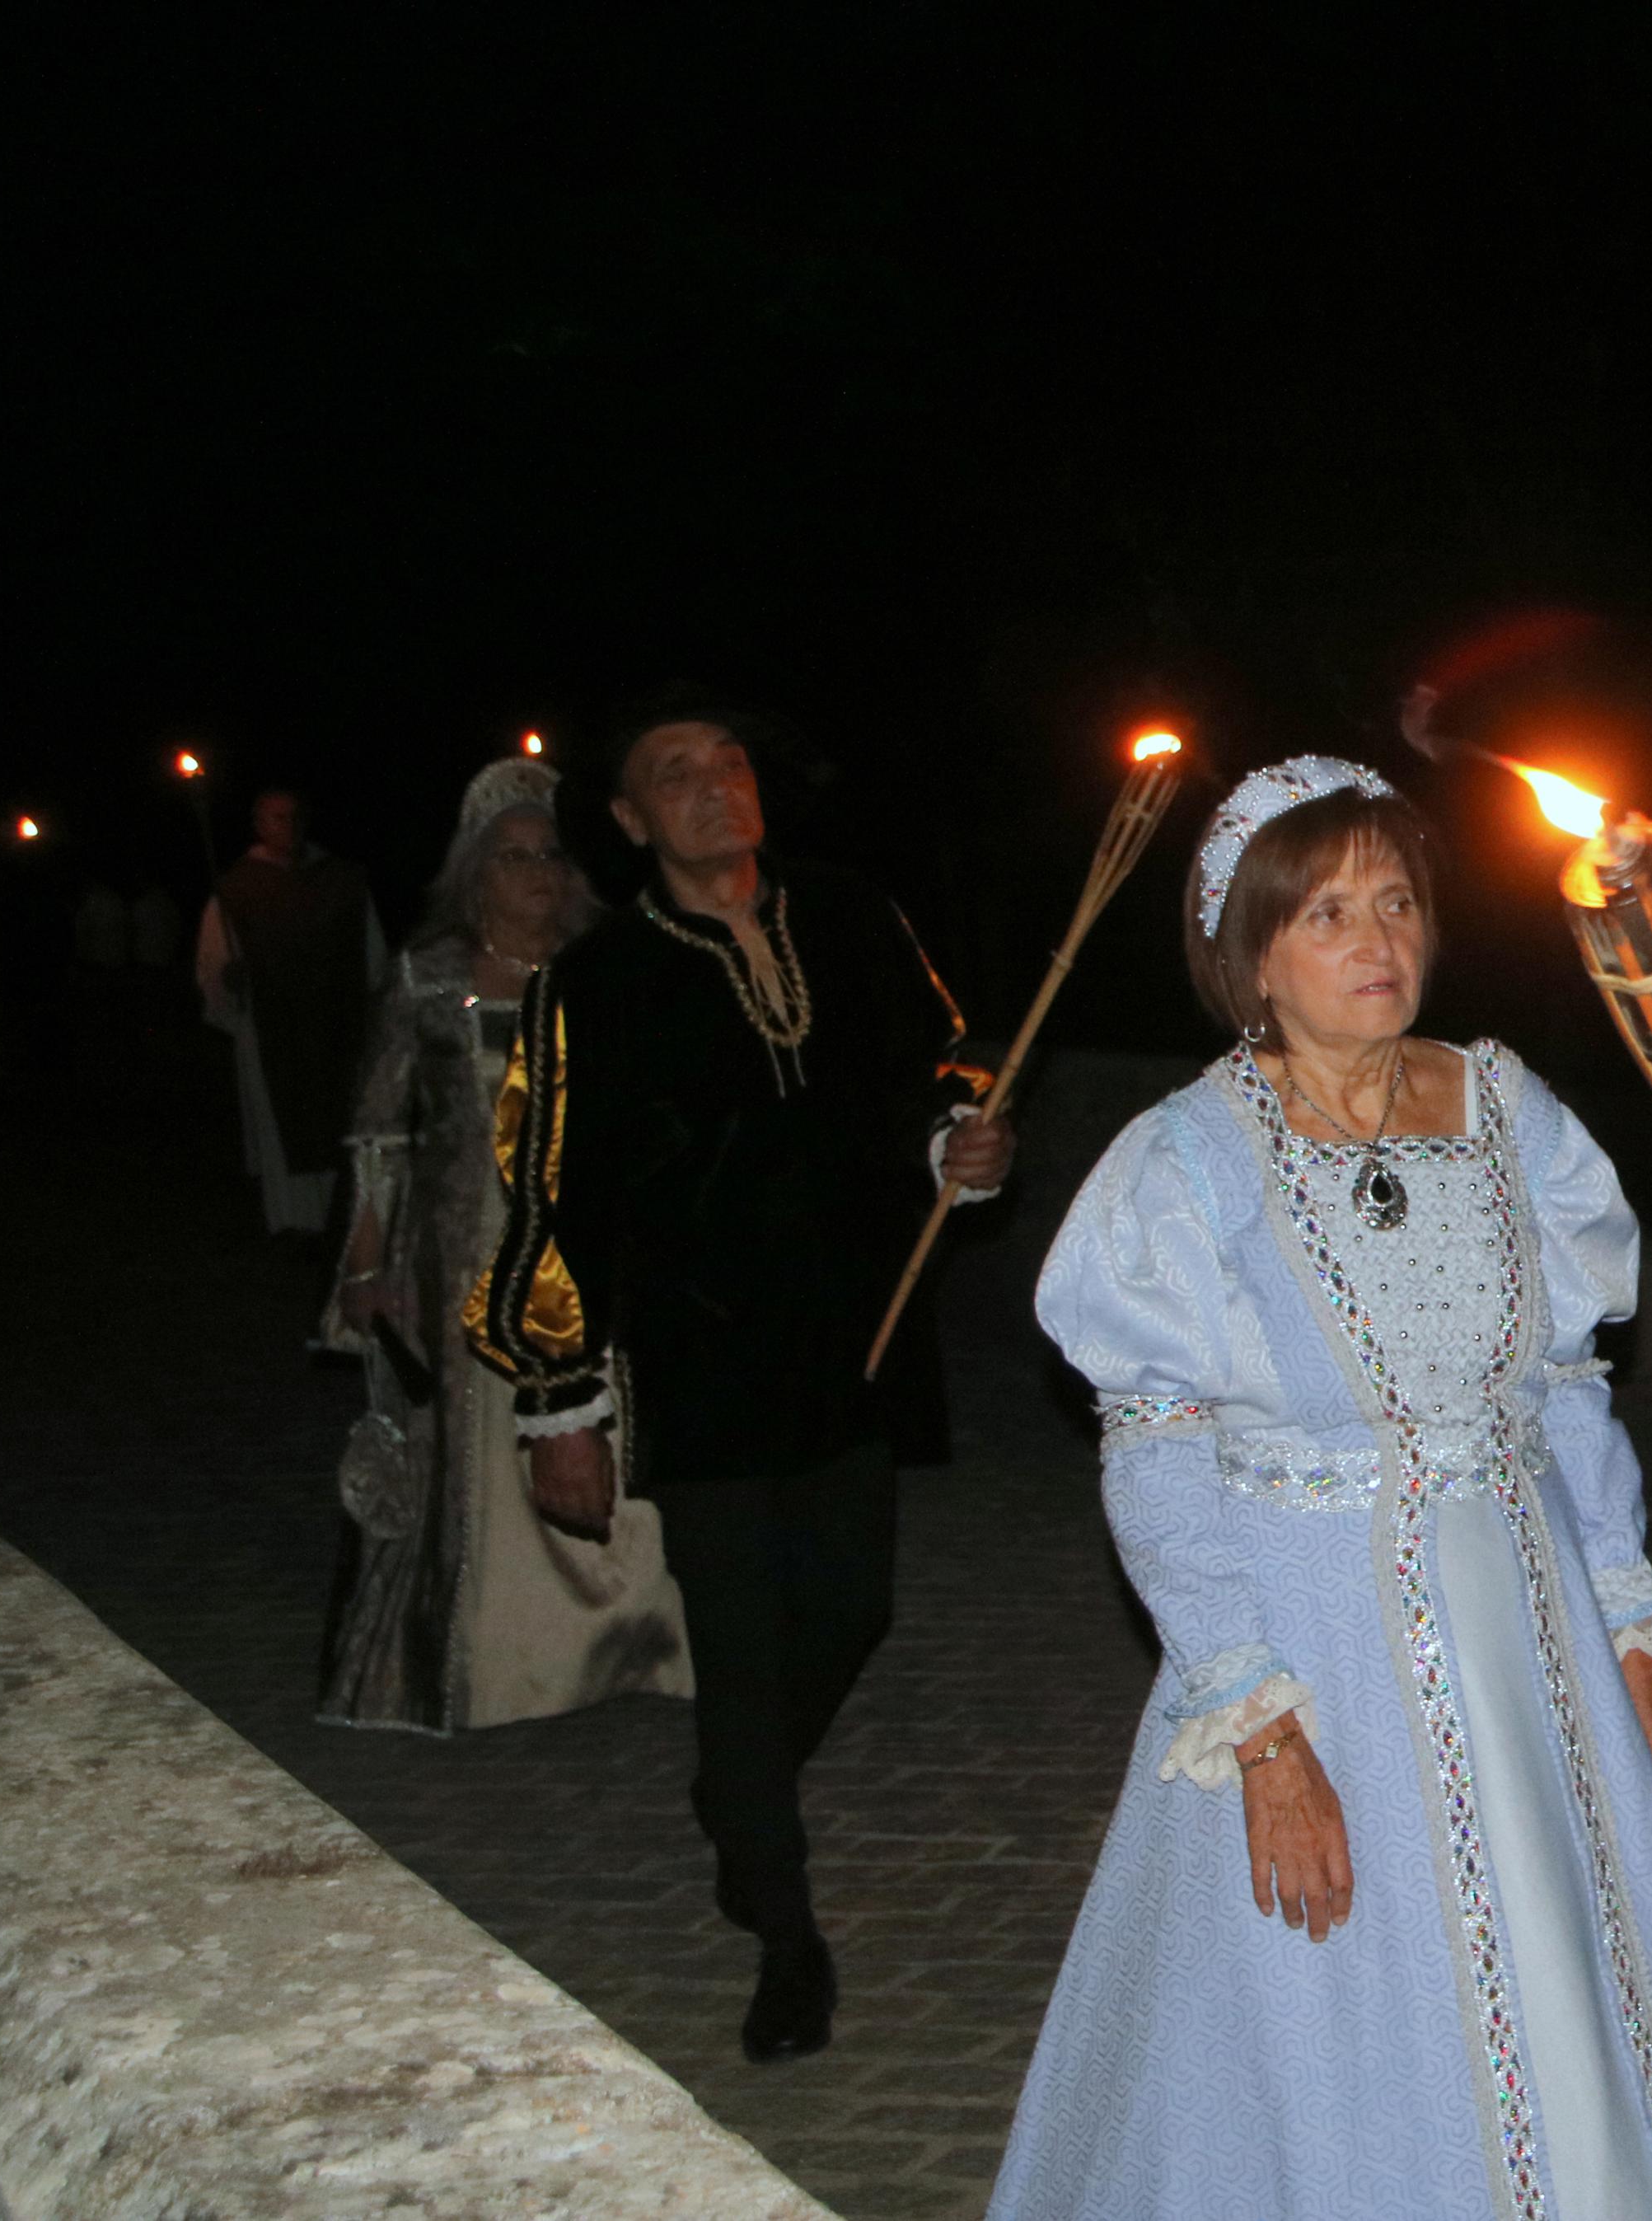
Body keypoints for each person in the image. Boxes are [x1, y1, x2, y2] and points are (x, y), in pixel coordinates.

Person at [992, 757, 1652, 2221]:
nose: (1375, 943)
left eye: (1394, 903)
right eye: (1323, 916)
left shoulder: (1506, 1109)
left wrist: (1628, 1622)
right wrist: (1259, 1733)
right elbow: (1156, 1456)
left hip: (1532, 1633)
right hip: (1314, 1652)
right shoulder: (1184, 1164)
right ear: (1247, 960)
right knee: (1338, 2004)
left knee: (1584, 1973)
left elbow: (1566, 1388)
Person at [466, 697, 1014, 2064]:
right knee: (744, 1645)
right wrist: (558, 1401)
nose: (714, 787)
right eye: (675, 775)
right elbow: (552, 1198)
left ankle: (733, 1788)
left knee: (852, 1609)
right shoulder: (590, 983)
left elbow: (934, 1059)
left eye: (728, 764)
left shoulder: (849, 913)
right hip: (705, 1357)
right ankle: (784, 1931)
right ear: (632, 820)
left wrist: (960, 1132)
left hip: (860, 1333)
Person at [318, 756, 693, 1734]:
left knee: (590, 1430)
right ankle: (485, 1664)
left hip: (573, 1251)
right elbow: (377, 1137)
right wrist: (363, 1267)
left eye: (550, 855)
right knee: (473, 1459)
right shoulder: (425, 981)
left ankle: (616, 1644)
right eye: (512, 856)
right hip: (452, 1256)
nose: (535, 873)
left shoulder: (603, 974)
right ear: (475, 873)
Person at [199, 787, 386, 1234]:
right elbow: (215, 964)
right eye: (276, 818)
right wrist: (229, 982)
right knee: (284, 1123)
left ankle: (346, 1219)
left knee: (342, 1113)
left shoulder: (341, 880)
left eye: (294, 816)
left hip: (336, 1026)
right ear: (259, 825)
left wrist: (376, 1004)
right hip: (271, 1029)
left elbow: (372, 954)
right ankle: (293, 1222)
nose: (288, 826)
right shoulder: (238, 889)